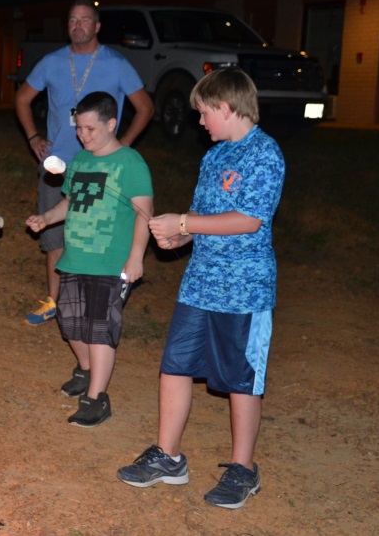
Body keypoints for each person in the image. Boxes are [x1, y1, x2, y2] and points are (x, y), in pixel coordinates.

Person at [115, 69, 285, 509]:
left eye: (205, 113)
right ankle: (168, 457)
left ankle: (243, 470)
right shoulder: (214, 156)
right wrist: (181, 235)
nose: (200, 122)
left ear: (227, 109)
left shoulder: (264, 154)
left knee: (241, 380)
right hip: (200, 285)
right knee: (175, 366)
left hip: (244, 290)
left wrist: (186, 224)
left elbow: (249, 220)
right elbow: (203, 213)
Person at [15, 0, 154, 326]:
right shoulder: (51, 62)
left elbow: (145, 107)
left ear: (97, 26)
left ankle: (97, 305)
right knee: (54, 235)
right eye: (72, 20)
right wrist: (34, 137)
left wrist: (125, 146)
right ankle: (56, 301)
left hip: (105, 167)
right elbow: (22, 98)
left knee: (97, 235)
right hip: (58, 163)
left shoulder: (116, 64)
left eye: (85, 20)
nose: (78, 25)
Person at [26, 92, 153, 427]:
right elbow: (71, 202)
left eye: (91, 128)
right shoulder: (81, 160)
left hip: (109, 263)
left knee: (99, 330)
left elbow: (144, 214)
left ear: (111, 124)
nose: (83, 135)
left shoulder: (131, 163)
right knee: (69, 324)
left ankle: (96, 398)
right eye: (79, 127)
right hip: (74, 259)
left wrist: (136, 257)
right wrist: (47, 218)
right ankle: (86, 370)